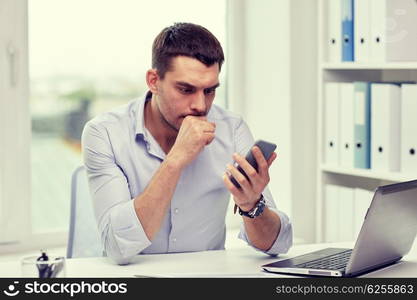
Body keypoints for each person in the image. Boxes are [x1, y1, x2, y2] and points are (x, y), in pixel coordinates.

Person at [82, 22, 292, 265]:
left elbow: (278, 244)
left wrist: (252, 205)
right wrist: (175, 160)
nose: (201, 106)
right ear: (153, 81)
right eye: (186, 89)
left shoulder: (232, 129)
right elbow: (117, 247)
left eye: (210, 91)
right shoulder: (104, 133)